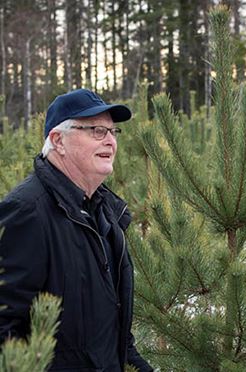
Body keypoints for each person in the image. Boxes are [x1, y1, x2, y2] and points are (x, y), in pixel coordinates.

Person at [0, 89, 153, 371]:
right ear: (58, 141)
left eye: (112, 131)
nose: (110, 140)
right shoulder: (26, 212)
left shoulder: (107, 214)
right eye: (96, 130)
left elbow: (115, 335)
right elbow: (6, 333)